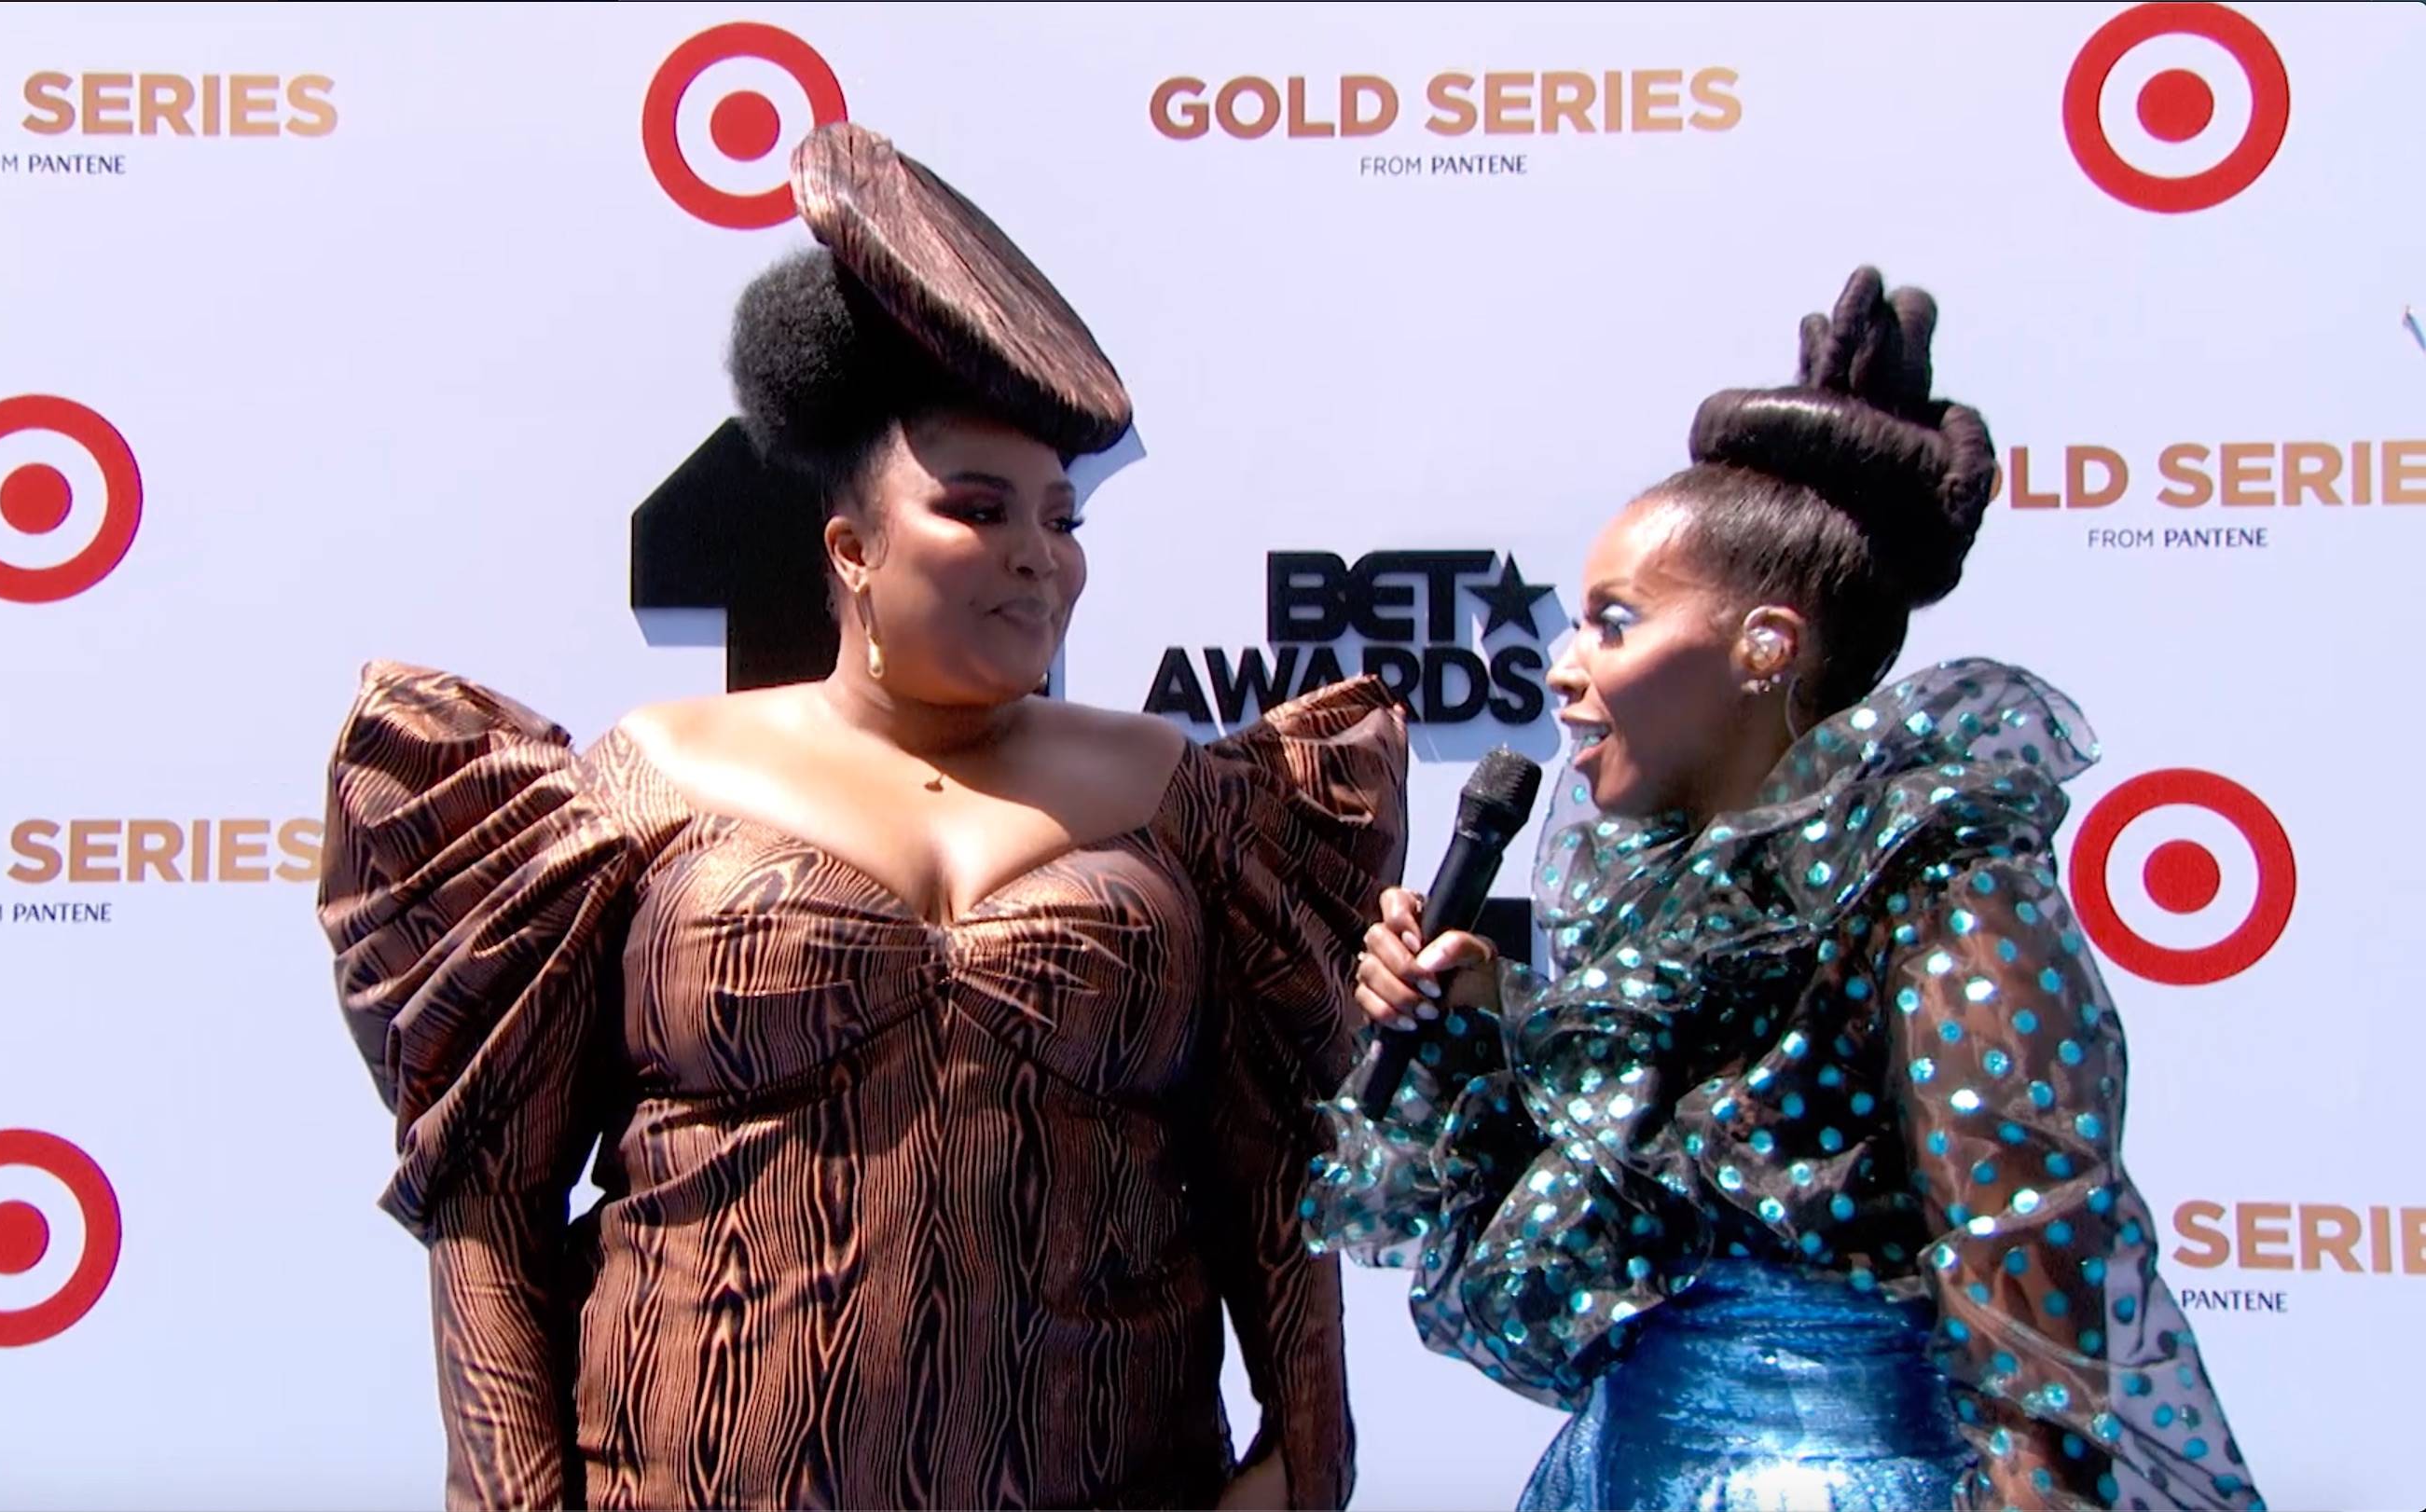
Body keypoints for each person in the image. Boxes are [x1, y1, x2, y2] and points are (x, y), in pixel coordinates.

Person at [313, 122, 1408, 1512]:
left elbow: (1275, 1173)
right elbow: (493, 1206)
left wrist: (1306, 1462)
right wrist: (513, 1500)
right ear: (850, 546)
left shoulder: (1191, 801)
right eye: (975, 506)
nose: (1038, 550)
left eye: (1063, 516)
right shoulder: (638, 789)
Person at [1306, 267, 2263, 1512]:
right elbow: (1639, 1208)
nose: (1561, 669)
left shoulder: (1944, 877)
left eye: (1612, 621)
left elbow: (2031, 1261)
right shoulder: (1662, 889)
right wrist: (1490, 1024)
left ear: (1767, 645)